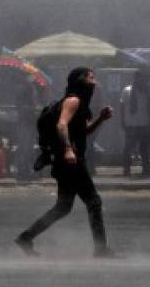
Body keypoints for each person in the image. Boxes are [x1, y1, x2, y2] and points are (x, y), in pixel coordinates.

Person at [15, 67, 116, 257]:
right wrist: (69, 150)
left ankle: (26, 238)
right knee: (94, 202)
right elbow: (61, 125)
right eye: (90, 77)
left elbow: (82, 131)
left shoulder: (80, 103)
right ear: (78, 81)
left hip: (65, 161)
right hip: (71, 161)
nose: (94, 80)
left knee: (63, 207)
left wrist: (100, 119)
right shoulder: (73, 100)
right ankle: (101, 250)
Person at [119, 72, 150, 176]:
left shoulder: (146, 91)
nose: (141, 81)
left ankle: (146, 169)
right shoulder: (127, 90)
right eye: (140, 78)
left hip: (143, 123)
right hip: (132, 123)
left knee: (144, 148)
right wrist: (122, 120)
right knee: (129, 148)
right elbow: (122, 107)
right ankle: (127, 169)